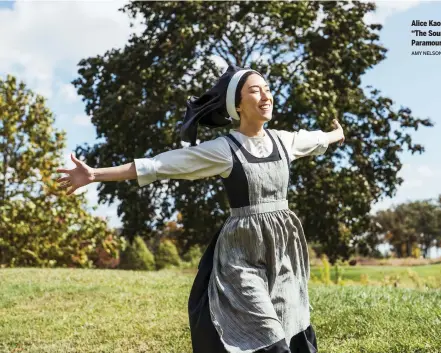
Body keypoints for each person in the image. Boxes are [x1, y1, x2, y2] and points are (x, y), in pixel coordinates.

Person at [56, 65, 345, 353]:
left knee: (289, 325)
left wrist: (336, 134)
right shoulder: (225, 149)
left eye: (267, 90)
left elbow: (318, 139)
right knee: (268, 337)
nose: (265, 96)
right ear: (238, 106)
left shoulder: (284, 141)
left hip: (283, 252)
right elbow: (160, 165)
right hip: (242, 254)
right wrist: (95, 174)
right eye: (255, 91)